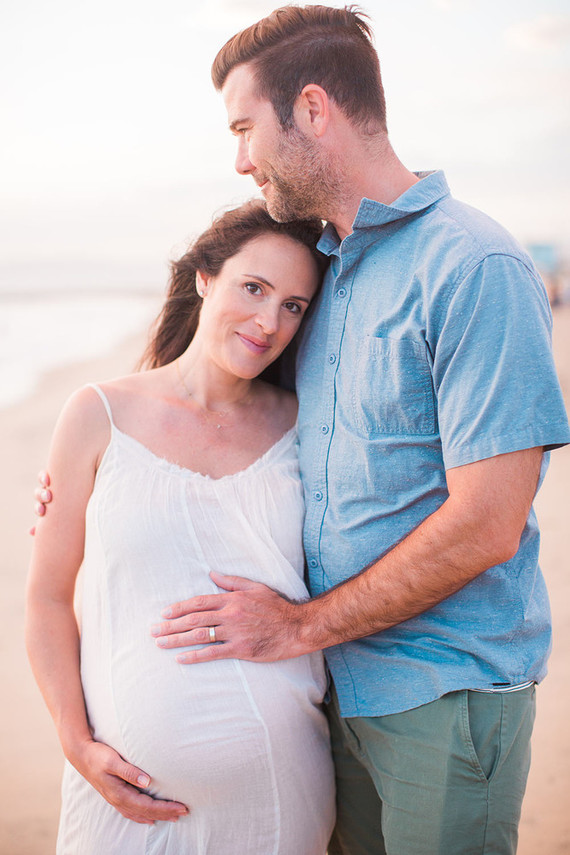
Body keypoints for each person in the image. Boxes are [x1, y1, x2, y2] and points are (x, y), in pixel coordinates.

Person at [34, 6, 570, 855]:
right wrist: (100, 481)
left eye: (246, 127)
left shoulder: (474, 266)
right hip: (336, 697)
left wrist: (299, 626)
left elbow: (489, 521)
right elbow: (239, 424)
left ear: (313, 110)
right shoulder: (325, 273)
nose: (239, 159)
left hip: (442, 690)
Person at [26, 199, 336, 855]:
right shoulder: (97, 415)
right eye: (253, 287)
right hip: (123, 808)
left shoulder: (309, 424)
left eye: (294, 305)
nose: (268, 321)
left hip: (281, 803)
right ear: (205, 277)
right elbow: (47, 598)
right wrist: (76, 742)